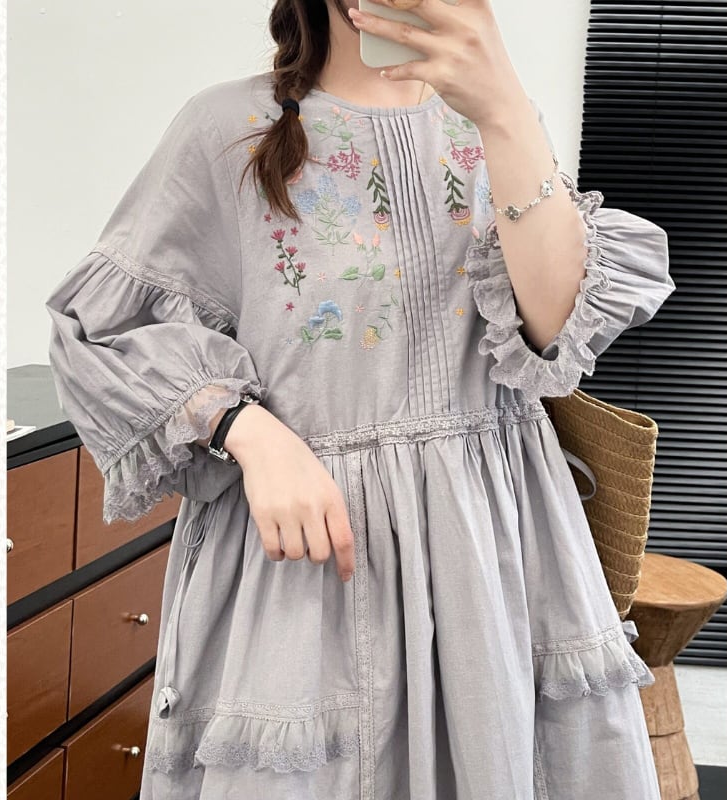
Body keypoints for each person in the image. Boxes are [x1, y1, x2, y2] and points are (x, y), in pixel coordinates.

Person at [45, 0, 675, 797]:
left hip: (497, 558)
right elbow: (99, 330)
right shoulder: (226, 129)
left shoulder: (502, 122)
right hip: (309, 571)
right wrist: (248, 431)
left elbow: (555, 332)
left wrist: (505, 112)